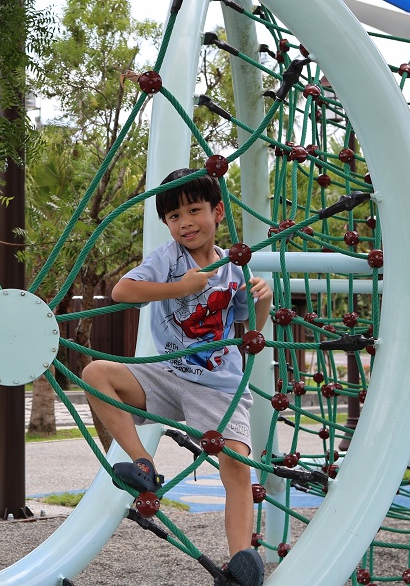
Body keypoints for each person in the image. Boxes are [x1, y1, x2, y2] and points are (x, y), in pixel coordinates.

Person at [82, 167, 272, 586]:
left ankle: (240, 560)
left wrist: (264, 297)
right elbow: (122, 292)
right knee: (96, 373)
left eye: (194, 210)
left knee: (237, 467)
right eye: (174, 216)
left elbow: (250, 327)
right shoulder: (167, 259)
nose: (185, 222)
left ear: (217, 212)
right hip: (166, 374)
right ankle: (143, 463)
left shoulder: (233, 266)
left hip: (218, 385)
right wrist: (180, 288)